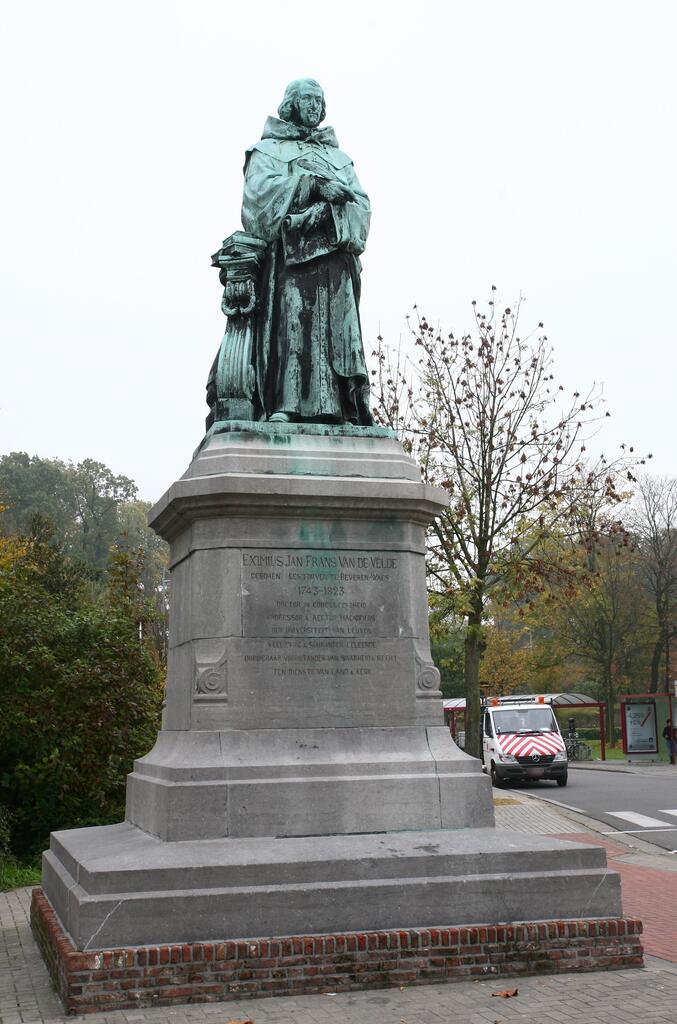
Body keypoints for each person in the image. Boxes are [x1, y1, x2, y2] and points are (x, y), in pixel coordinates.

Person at [241, 79, 374, 425]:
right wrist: (311, 185)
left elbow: (362, 206)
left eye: (319, 100)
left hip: (335, 257)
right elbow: (257, 199)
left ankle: (340, 408)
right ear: (292, 104)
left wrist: (329, 210)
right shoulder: (267, 150)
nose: (314, 106)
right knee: (294, 319)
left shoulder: (338, 158)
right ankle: (286, 404)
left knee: (336, 331)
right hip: (291, 256)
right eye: (307, 99)